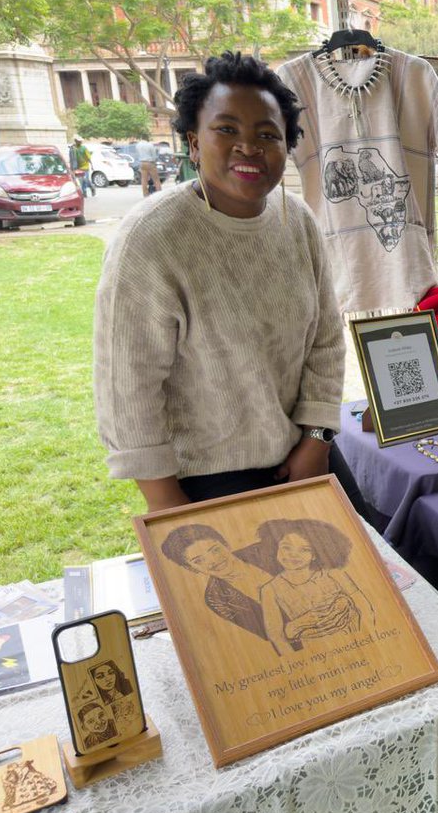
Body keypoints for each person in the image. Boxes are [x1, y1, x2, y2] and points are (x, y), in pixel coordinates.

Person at [94, 52, 369, 517]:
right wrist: (168, 506)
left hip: (303, 454)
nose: (249, 147)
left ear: (287, 146)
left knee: (372, 571)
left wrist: (318, 439)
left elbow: (325, 340)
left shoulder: (297, 221)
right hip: (202, 480)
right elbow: (128, 389)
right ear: (193, 143)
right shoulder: (151, 240)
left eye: (267, 134)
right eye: (226, 130)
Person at [248, 518, 376, 655]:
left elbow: (364, 607)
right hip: (317, 652)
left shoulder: (335, 575)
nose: (293, 555)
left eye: (304, 550)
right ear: (276, 548)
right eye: (286, 547)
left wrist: (369, 639)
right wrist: (296, 662)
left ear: (315, 555)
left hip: (357, 642)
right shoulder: (269, 590)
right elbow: (276, 635)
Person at [161, 523, 276, 641]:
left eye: (215, 550)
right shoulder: (216, 599)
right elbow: (268, 633)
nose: (213, 561)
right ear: (191, 568)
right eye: (199, 561)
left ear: (226, 544)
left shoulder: (266, 551)